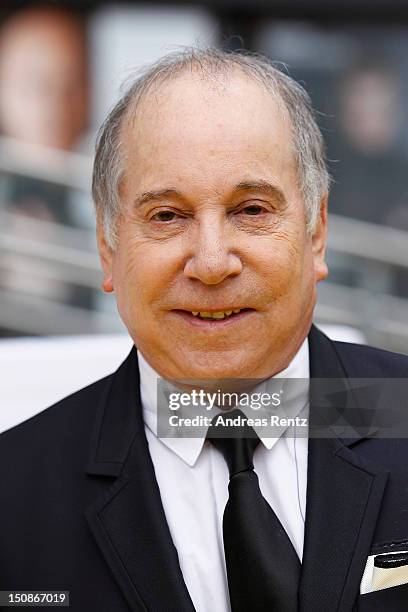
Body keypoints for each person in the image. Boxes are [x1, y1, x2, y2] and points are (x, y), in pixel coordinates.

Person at [0, 48, 407, 612]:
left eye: (252, 210)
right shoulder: (12, 493)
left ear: (316, 232)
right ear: (106, 247)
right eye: (167, 216)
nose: (212, 263)